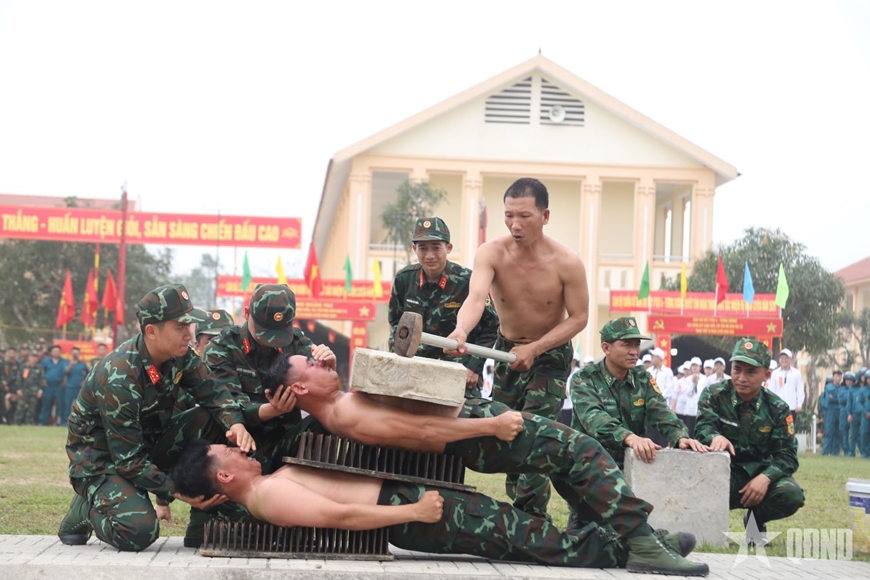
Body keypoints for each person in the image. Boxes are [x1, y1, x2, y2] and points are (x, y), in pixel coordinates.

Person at [267, 352, 708, 576]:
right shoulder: (346, 413)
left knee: (568, 465)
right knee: (581, 451)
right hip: (478, 433)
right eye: (310, 364)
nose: (321, 361)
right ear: (300, 388)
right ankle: (642, 543)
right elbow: (423, 431)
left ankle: (636, 538)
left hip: (476, 426)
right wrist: (492, 425)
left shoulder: (339, 404)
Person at [173, 440, 702, 574]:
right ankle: (627, 554)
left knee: (517, 527)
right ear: (225, 475)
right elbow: (340, 517)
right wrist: (413, 514)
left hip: (415, 500)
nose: (239, 447)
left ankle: (641, 542)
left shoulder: (267, 481)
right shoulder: (268, 495)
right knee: (526, 538)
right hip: (412, 513)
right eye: (228, 452)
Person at [57, 284, 255, 552]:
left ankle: (205, 520)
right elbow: (127, 460)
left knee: (211, 419)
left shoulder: (180, 355)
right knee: (139, 531)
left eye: (189, 326)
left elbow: (213, 392)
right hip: (102, 460)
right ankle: (87, 507)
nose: (189, 334)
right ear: (151, 331)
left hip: (147, 445)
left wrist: (236, 424)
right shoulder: (120, 375)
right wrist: (176, 491)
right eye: (180, 327)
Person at [445, 177, 590, 521]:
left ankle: (533, 518)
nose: (515, 224)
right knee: (507, 431)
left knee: (533, 429)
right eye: (509, 215)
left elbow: (580, 317)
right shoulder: (491, 252)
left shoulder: (567, 262)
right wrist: (461, 330)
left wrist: (536, 349)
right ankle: (524, 513)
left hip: (550, 354)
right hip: (506, 352)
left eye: (524, 216)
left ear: (545, 216)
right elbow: (475, 298)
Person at [199, 284, 328, 547]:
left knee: (325, 422)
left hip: (285, 444)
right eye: (264, 332)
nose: (271, 341)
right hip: (240, 452)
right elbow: (226, 404)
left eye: (279, 333)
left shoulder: (297, 342)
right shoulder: (222, 348)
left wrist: (328, 368)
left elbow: (323, 390)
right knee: (242, 531)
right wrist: (271, 410)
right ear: (247, 313)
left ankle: (314, 502)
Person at [694, 338, 805, 546]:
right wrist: (714, 436)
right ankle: (704, 529)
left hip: (760, 475)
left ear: (766, 375)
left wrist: (765, 478)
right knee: (693, 485)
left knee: (791, 494)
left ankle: (755, 520)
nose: (742, 378)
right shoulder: (714, 395)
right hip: (724, 474)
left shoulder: (777, 409)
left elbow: (788, 456)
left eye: (751, 372)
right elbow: (702, 428)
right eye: (737, 369)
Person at [570, 317, 707, 469]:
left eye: (637, 345)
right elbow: (594, 418)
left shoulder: (642, 378)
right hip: (590, 464)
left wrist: (680, 436)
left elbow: (660, 410)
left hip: (630, 464)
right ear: (606, 348)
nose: (634, 352)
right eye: (627, 345)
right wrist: (630, 438)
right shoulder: (585, 378)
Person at [388, 217, 499, 399]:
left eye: (436, 247)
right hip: (414, 369)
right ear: (414, 249)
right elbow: (396, 324)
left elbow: (491, 327)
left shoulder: (467, 281)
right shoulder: (404, 279)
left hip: (458, 372)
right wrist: (397, 359)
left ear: (448, 248)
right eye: (423, 248)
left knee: (464, 416)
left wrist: (473, 367)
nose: (430, 255)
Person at [768, 348, 805, 422]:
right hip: (778, 407)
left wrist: (799, 404)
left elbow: (800, 389)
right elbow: (771, 390)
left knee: (790, 427)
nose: (784, 360)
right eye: (782, 358)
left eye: (786, 358)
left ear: (790, 360)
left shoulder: (796, 373)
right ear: (779, 360)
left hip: (791, 407)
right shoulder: (775, 373)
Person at [39, 344, 68, 426]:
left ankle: (63, 422)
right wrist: (43, 380)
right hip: (48, 386)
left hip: (59, 386)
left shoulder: (64, 362)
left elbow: (67, 372)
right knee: (46, 404)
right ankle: (43, 422)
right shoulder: (46, 361)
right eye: (54, 351)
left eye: (57, 351)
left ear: (60, 352)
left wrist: (65, 380)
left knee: (61, 405)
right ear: (51, 352)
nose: (56, 353)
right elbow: (41, 371)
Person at [61, 347, 90, 428]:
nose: (75, 354)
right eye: (74, 353)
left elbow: (89, 374)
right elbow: (65, 372)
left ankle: (78, 423)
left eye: (77, 353)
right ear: (71, 353)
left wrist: (84, 381)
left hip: (79, 388)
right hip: (69, 387)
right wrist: (70, 365)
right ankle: (65, 422)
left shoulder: (83, 364)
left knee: (79, 406)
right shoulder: (67, 363)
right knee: (67, 405)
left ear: (79, 354)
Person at [14, 351, 44, 425]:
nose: (34, 359)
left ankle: (29, 423)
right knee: (20, 408)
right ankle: (17, 423)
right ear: (29, 358)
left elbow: (41, 380)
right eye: (32, 357)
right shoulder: (23, 367)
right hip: (24, 391)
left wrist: (40, 390)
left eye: (35, 357)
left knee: (32, 409)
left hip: (34, 392)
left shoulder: (39, 368)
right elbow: (19, 379)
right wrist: (18, 389)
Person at [848, 369, 869, 458]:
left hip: (865, 414)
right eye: (867, 378)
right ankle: (862, 452)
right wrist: (865, 412)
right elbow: (857, 403)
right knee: (861, 433)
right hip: (862, 415)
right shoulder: (860, 390)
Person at [821, 371, 842, 456]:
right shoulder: (829, 387)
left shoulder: (842, 388)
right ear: (833, 377)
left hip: (840, 411)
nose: (838, 378)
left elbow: (842, 399)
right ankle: (825, 451)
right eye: (836, 376)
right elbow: (829, 399)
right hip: (830, 411)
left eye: (840, 376)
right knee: (829, 432)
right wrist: (837, 399)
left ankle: (835, 452)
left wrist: (836, 399)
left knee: (838, 432)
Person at [1, 346, 20, 424]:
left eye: (13, 352)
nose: (11, 354)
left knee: (15, 408)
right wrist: (4, 385)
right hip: (5, 389)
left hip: (16, 390)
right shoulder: (3, 364)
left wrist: (16, 391)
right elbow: (2, 376)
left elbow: (21, 378)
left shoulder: (20, 365)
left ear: (16, 353)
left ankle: (13, 422)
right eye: (10, 352)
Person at [839, 372, 855, 456]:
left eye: (851, 380)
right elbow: (840, 399)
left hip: (853, 412)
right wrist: (850, 397)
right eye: (847, 380)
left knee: (854, 432)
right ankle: (846, 450)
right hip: (843, 411)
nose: (849, 382)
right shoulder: (841, 389)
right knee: (843, 431)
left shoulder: (856, 389)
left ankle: (852, 450)